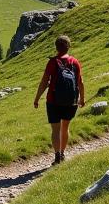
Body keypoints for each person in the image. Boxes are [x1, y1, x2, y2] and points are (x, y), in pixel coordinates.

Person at [33, 35, 85, 165]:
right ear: (69, 46)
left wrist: (37, 98)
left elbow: (44, 82)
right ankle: (62, 153)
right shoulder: (75, 62)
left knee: (55, 130)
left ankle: (57, 156)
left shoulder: (52, 62)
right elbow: (80, 82)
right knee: (65, 127)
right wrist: (82, 99)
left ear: (56, 47)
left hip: (53, 100)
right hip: (70, 100)